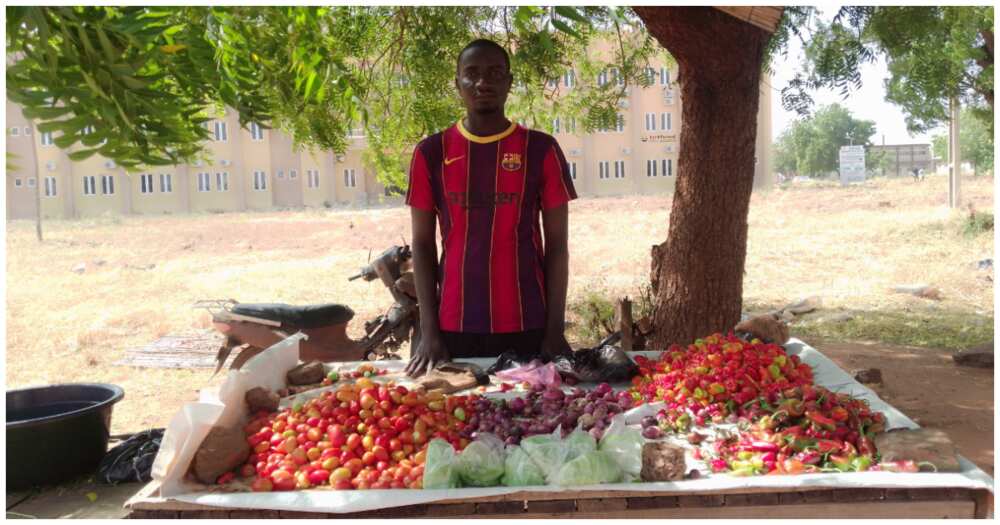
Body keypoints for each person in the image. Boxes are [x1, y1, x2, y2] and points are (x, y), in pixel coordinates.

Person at [404, 39, 577, 377]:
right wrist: (429, 331)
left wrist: (555, 330)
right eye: (471, 74)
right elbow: (422, 246)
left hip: (529, 324)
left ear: (509, 82)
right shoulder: (431, 153)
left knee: (529, 422)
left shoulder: (541, 150)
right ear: (457, 83)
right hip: (454, 326)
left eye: (495, 73)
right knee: (462, 425)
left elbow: (558, 246)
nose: (483, 83)